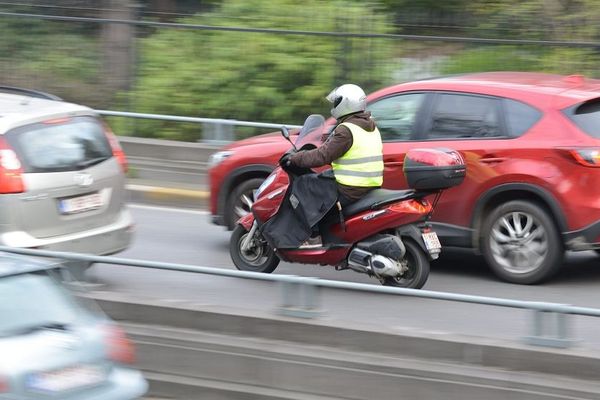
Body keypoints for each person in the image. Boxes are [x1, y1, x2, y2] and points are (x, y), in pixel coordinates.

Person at [284, 83, 384, 247]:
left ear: (345, 104)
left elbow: (322, 156)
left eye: (336, 102)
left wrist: (296, 158)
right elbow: (349, 152)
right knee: (320, 180)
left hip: (349, 188)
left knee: (303, 186)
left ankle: (314, 236)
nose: (334, 106)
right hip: (370, 185)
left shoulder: (346, 129)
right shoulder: (370, 126)